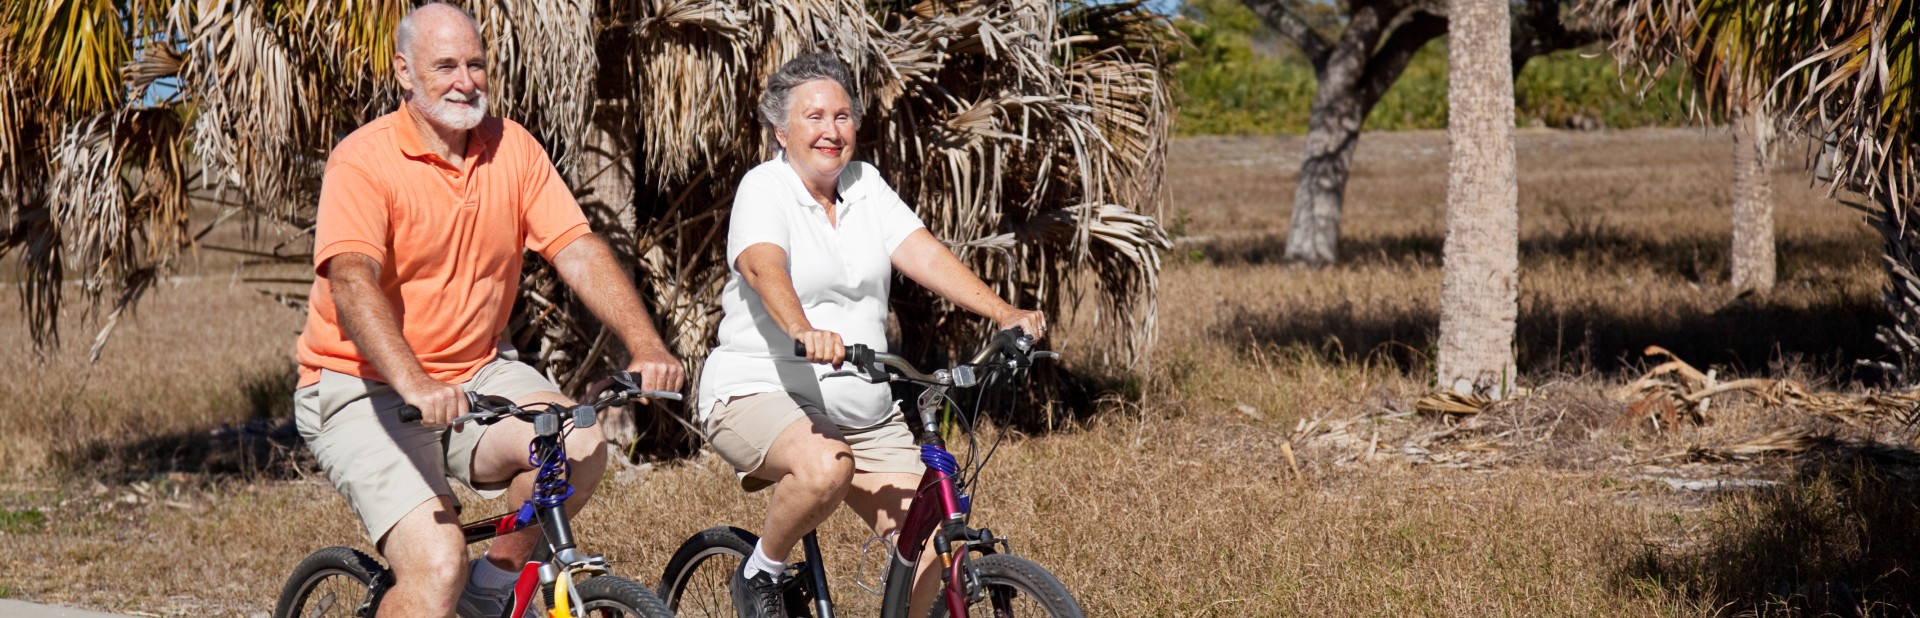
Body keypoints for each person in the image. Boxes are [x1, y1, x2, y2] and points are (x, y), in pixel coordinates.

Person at [290, 4, 684, 617]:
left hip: (475, 375)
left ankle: (492, 587)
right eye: (445, 65)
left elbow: (576, 250)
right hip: (360, 385)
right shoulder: (363, 160)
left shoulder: (512, 149)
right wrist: (415, 380)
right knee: (438, 564)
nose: (464, 80)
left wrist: (647, 344)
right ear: (404, 72)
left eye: (475, 64)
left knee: (576, 444)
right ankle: (453, 585)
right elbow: (352, 280)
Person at [697, 52, 1048, 618]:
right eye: (813, 117)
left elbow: (922, 252)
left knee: (933, 547)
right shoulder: (766, 186)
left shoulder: (865, 186)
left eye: (842, 116)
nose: (830, 130)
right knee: (824, 465)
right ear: (780, 131)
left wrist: (1003, 312)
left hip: (863, 405)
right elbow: (764, 265)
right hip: (760, 388)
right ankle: (759, 572)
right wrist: (803, 330)